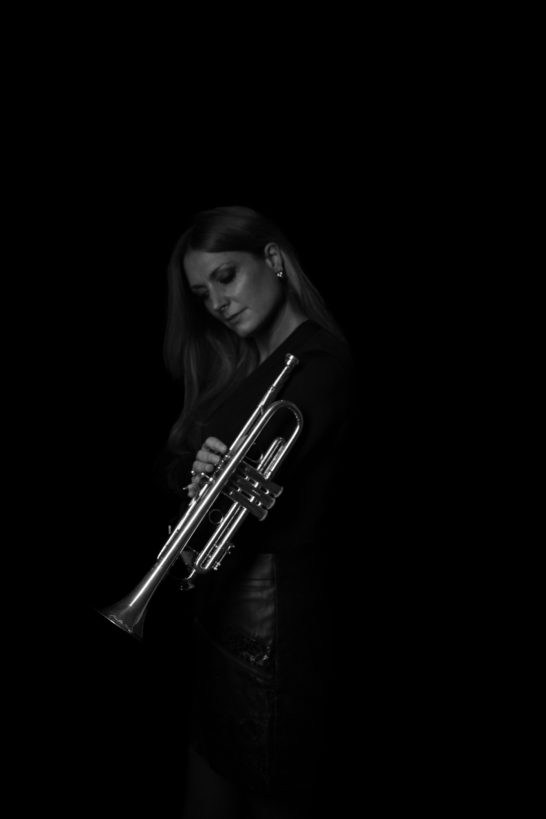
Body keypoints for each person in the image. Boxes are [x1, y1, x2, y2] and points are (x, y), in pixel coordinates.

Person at [160, 206, 356, 818]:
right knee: (209, 791)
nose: (217, 303)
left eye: (226, 276)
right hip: (221, 616)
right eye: (202, 293)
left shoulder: (320, 363)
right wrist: (198, 475)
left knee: (268, 794)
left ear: (273, 260)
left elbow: (272, 496)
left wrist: (214, 481)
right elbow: (179, 471)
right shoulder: (245, 368)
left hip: (274, 623)